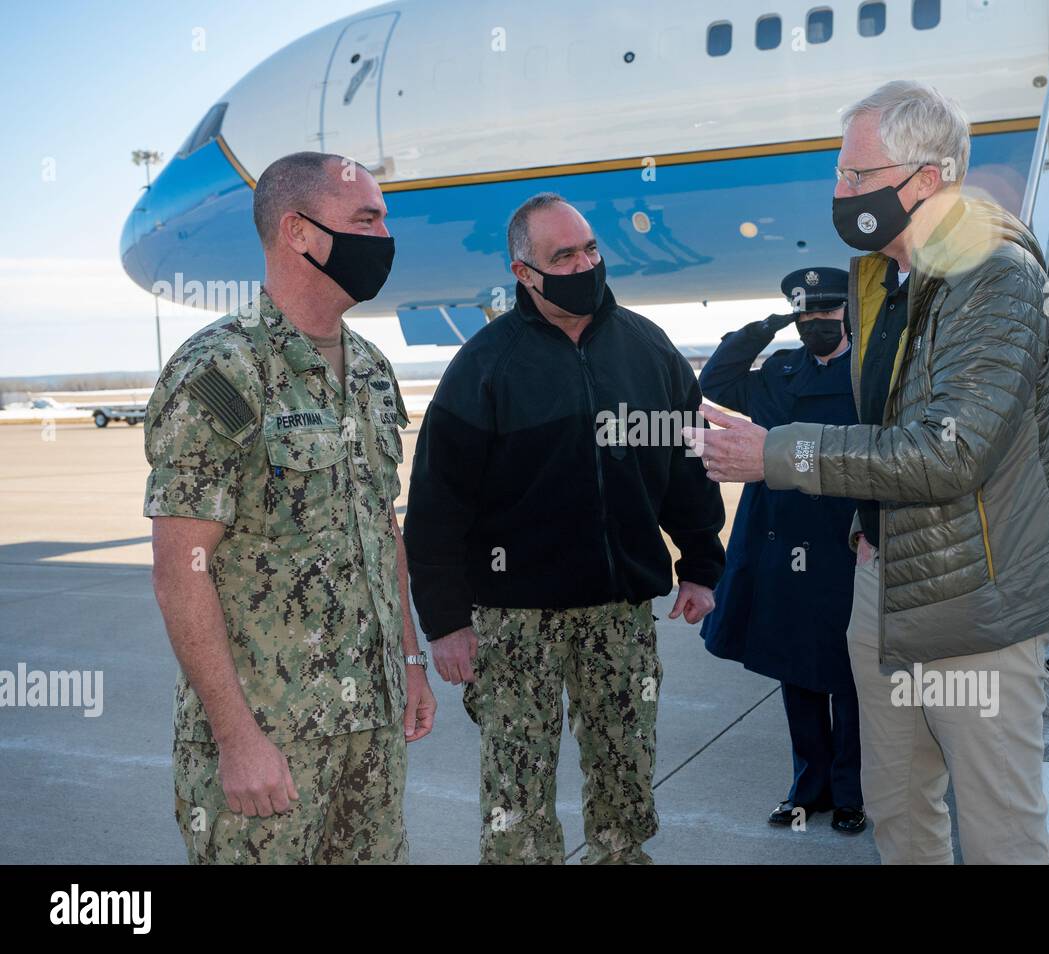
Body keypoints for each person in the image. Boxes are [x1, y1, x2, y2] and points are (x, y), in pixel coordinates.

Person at [686, 80, 1049, 864]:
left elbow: (950, 449)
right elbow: (888, 424)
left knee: (999, 832)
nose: (840, 192)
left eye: (857, 175)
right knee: (898, 810)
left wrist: (774, 453)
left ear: (927, 179)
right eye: (841, 174)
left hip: (976, 597)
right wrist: (865, 525)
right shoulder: (886, 281)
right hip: (883, 585)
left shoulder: (993, 277)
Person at [403, 192, 725, 864]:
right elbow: (436, 506)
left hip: (621, 615)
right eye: (563, 256)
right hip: (515, 622)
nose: (584, 264)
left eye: (589, 249)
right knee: (517, 803)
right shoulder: (484, 367)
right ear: (523, 272)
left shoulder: (648, 349)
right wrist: (445, 621)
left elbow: (684, 465)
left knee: (626, 787)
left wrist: (700, 561)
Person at [144, 152, 435, 864]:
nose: (384, 237)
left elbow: (381, 524)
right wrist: (237, 739)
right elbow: (182, 568)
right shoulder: (221, 371)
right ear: (298, 232)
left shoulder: (369, 370)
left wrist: (410, 657)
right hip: (269, 738)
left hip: (371, 727)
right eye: (365, 219)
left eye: (384, 218)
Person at [698, 267, 865, 834]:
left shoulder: (867, 372)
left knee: (847, 671)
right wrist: (767, 326)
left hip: (842, 535)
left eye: (828, 313)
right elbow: (717, 380)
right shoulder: (780, 369)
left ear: (848, 312)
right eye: (808, 316)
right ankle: (805, 787)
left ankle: (849, 792)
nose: (820, 325)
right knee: (795, 666)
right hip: (780, 533)